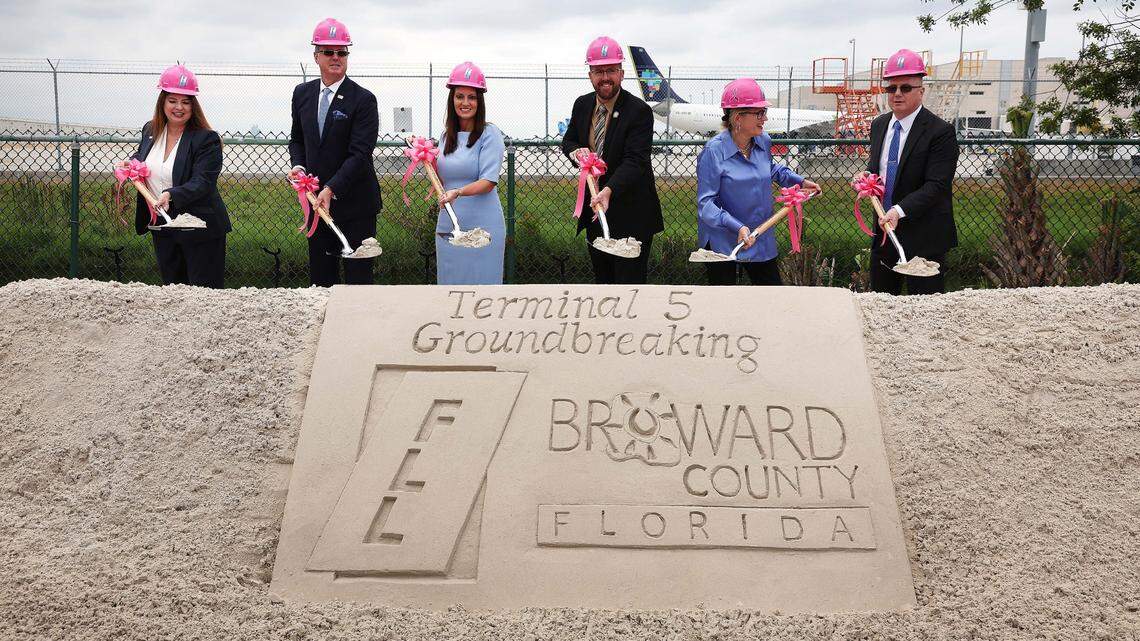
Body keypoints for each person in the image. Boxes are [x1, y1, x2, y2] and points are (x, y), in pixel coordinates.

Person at [696, 78, 822, 286]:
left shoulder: (763, 141)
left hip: (759, 234)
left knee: (771, 295)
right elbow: (706, 205)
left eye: (764, 112)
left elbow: (769, 169)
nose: (764, 118)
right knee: (724, 304)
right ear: (737, 117)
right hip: (724, 240)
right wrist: (737, 227)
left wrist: (799, 181)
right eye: (759, 113)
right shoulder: (713, 151)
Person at [561, 36, 663, 284]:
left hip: (632, 215)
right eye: (598, 71)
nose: (605, 77)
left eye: (610, 71)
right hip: (597, 213)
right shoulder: (582, 105)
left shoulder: (639, 111)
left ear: (621, 73)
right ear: (590, 74)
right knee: (603, 285)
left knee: (629, 289)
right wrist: (577, 153)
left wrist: (608, 190)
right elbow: (569, 140)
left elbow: (635, 161)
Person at [288, 18, 381, 286]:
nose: (336, 57)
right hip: (318, 205)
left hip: (355, 204)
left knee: (358, 282)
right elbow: (297, 140)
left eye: (342, 52)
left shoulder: (363, 99)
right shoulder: (301, 94)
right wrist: (299, 168)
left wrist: (331, 188)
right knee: (321, 280)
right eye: (329, 52)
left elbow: (360, 154)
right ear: (316, 55)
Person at [118, 64, 230, 288]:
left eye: (186, 101)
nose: (179, 107)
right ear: (163, 102)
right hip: (162, 225)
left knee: (203, 295)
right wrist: (131, 163)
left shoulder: (206, 139)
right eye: (172, 100)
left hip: (200, 229)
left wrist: (171, 194)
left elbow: (203, 182)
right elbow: (144, 157)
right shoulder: (150, 130)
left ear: (193, 106)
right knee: (172, 293)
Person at [862, 48, 959, 295]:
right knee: (882, 305)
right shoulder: (880, 125)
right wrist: (867, 180)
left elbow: (937, 185)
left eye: (905, 88)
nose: (896, 94)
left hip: (924, 237)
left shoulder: (940, 132)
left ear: (921, 91)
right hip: (885, 235)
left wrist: (898, 210)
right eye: (891, 88)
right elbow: (879, 170)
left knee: (925, 311)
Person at [434, 62, 507, 285]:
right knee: (449, 287)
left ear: (480, 101)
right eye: (460, 96)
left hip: (483, 224)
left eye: (472, 97)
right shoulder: (446, 137)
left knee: (483, 290)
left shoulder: (490, 134)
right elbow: (442, 177)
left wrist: (458, 192)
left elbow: (488, 181)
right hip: (449, 223)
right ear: (452, 99)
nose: (465, 103)